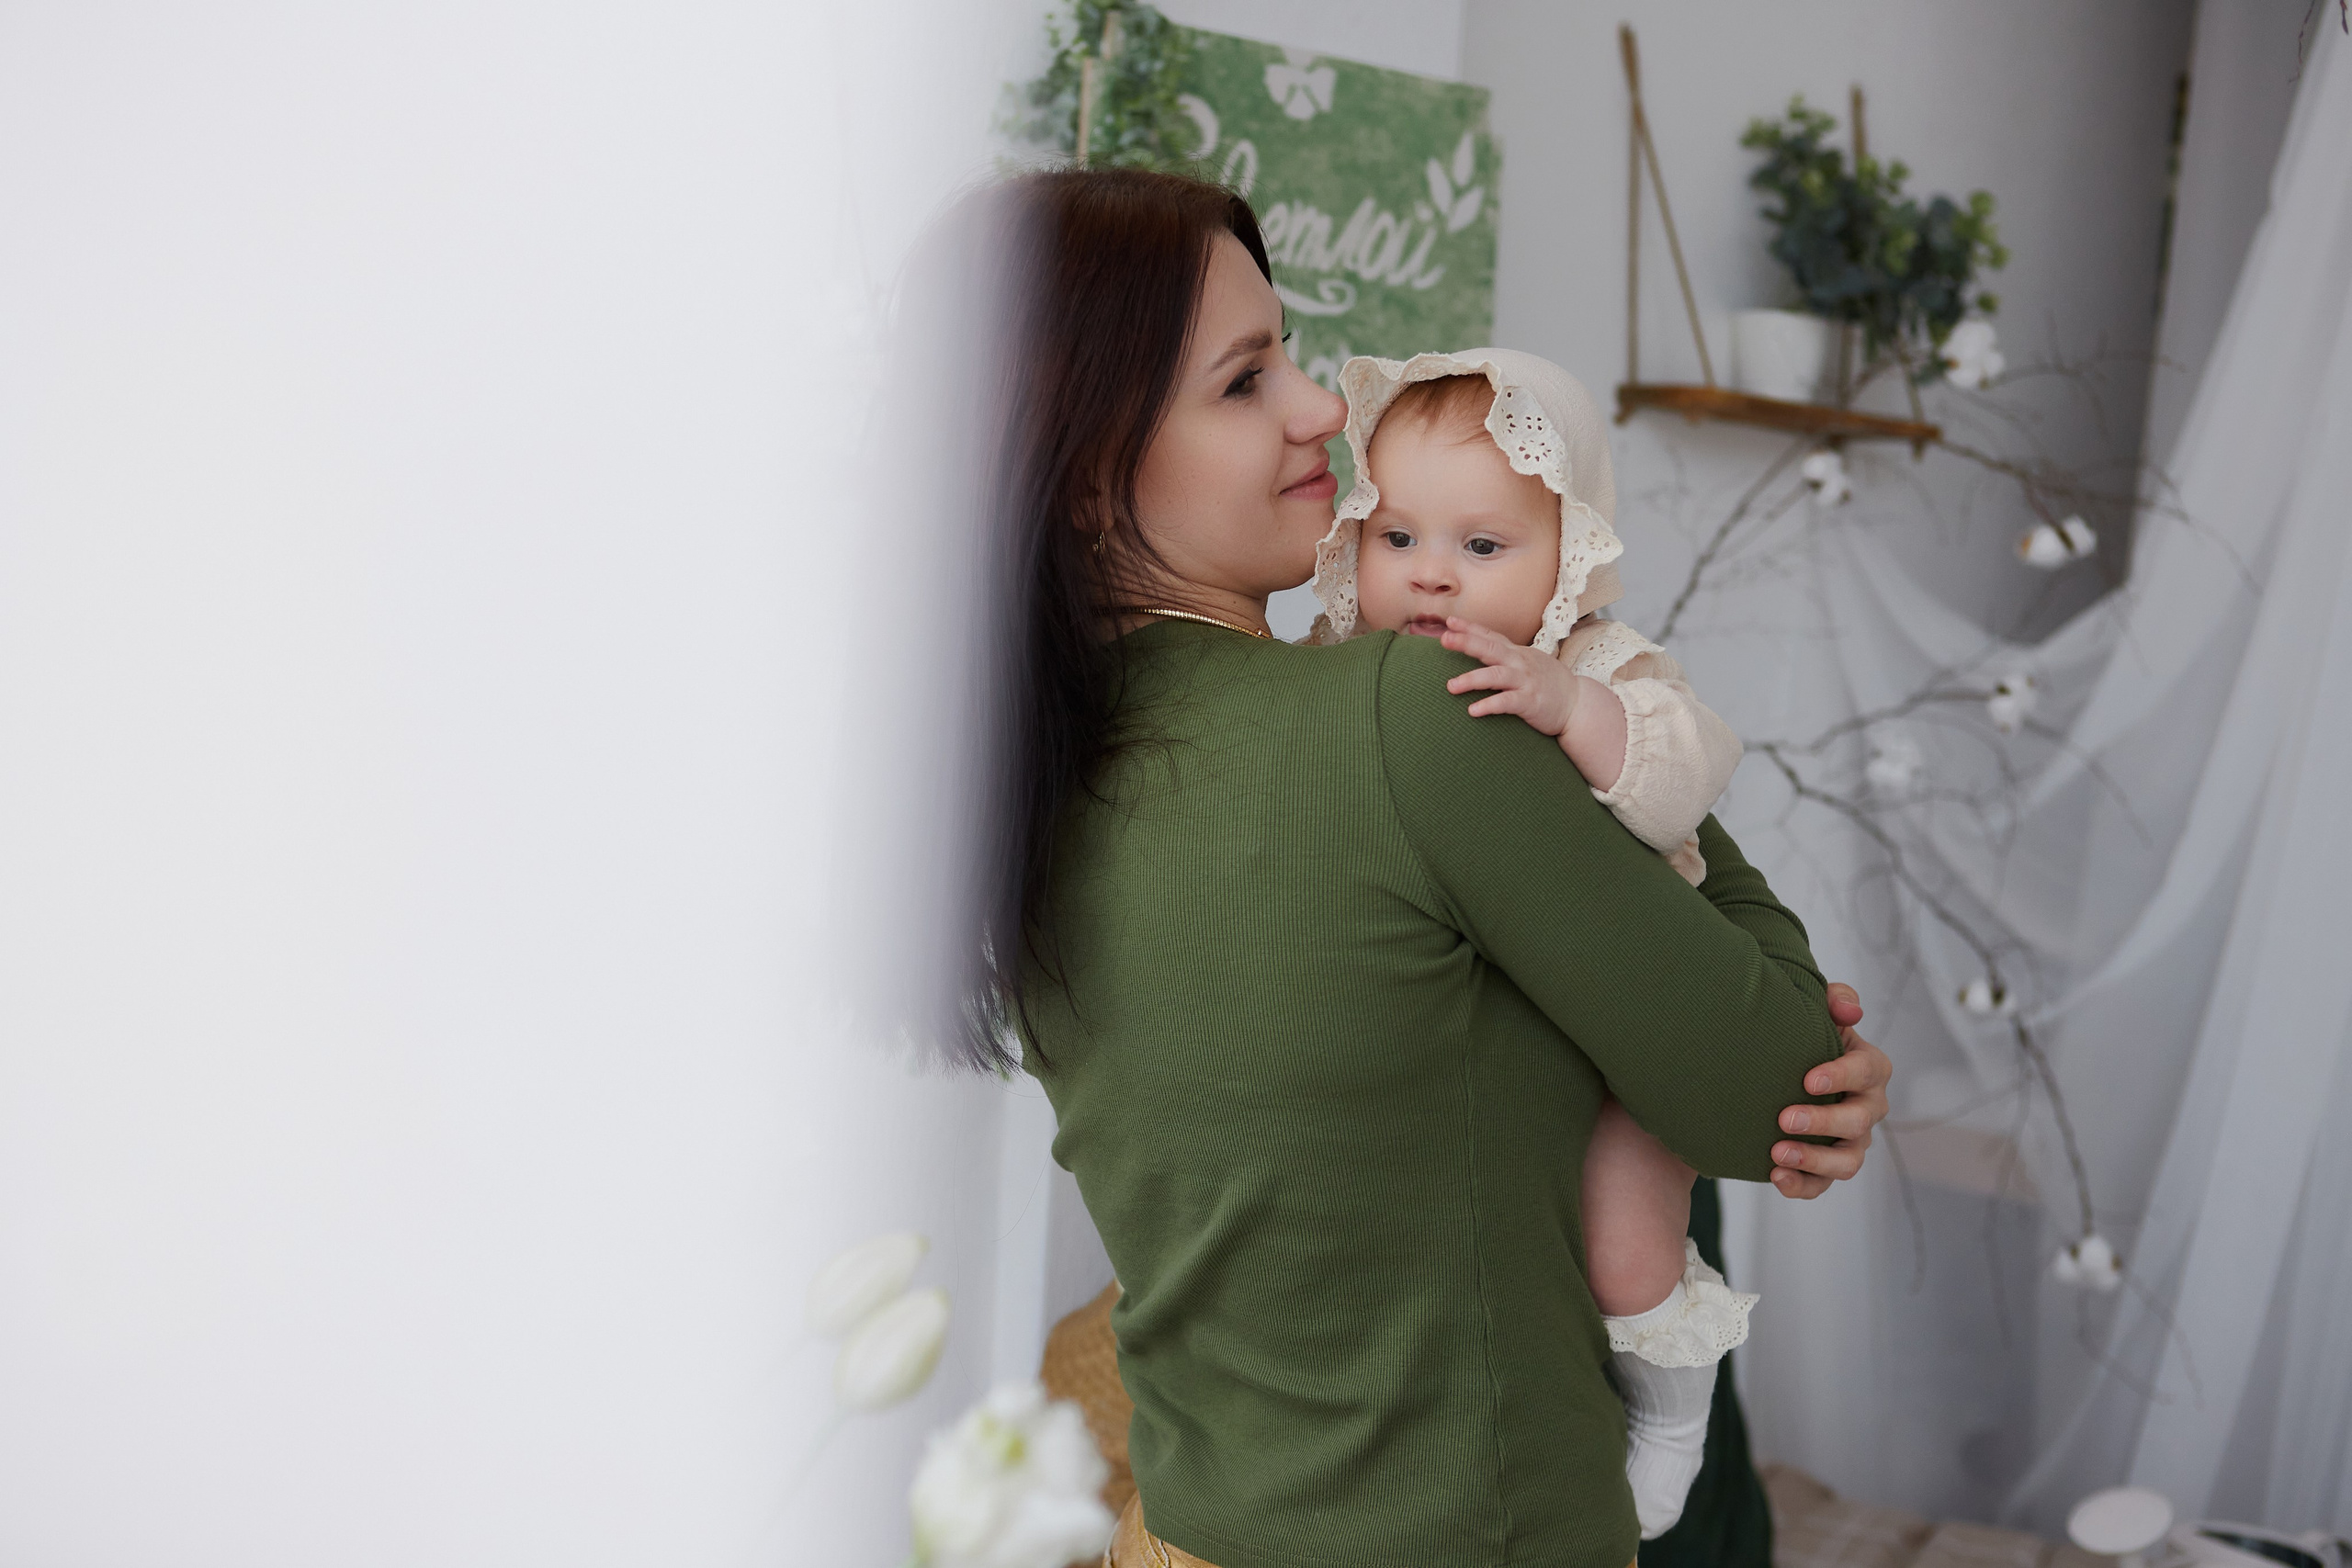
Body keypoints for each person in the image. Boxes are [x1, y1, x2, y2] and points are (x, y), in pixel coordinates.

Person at [941, 166, 1892, 1568]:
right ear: (1089, 476)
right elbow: (1774, 1094)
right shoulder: (1410, 720)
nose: (1325, 409)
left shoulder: (1008, 809)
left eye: (1293, 356)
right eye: (1246, 380)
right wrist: (1598, 694)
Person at [1306, 349, 1754, 1538]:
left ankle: (1670, 1409)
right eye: (1396, 537)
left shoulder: (1598, 665)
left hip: (1625, 1043)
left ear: (1574, 556)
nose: (1431, 577)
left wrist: (1575, 714)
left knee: (1623, 1247)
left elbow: (1686, 779)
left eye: (1483, 547)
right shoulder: (1348, 663)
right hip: (1464, 1048)